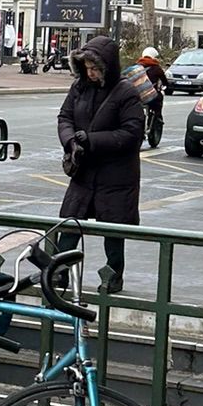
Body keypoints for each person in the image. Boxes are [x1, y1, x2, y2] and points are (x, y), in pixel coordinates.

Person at [56, 33, 145, 293]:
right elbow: (65, 117)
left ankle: (112, 277)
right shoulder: (80, 87)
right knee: (70, 223)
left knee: (113, 229)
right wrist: (71, 141)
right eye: (87, 68)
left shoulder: (126, 92)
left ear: (107, 66)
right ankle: (59, 271)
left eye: (95, 68)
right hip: (84, 170)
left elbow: (132, 133)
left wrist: (92, 140)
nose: (91, 73)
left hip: (116, 175)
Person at [139, 45, 170, 148]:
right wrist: (166, 87)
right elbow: (165, 82)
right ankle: (158, 117)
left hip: (137, 97)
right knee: (159, 99)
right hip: (151, 98)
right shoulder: (157, 68)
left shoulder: (137, 67)